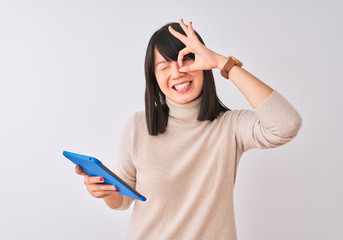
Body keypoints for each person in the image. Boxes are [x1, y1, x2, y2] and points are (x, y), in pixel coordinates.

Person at [75, 19, 302, 240]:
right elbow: (122, 202)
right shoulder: (137, 125)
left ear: (204, 65)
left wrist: (222, 63)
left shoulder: (229, 126)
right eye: (164, 66)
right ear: (154, 78)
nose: (178, 72)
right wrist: (104, 191)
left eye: (187, 60)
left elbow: (286, 124)